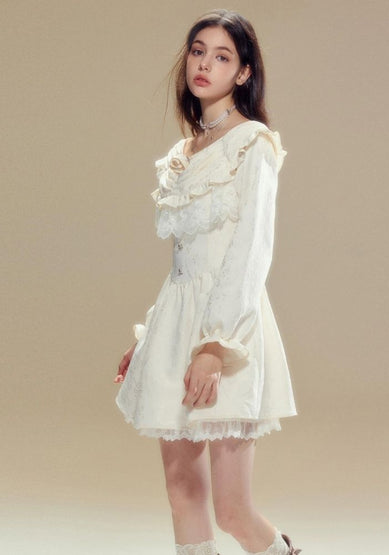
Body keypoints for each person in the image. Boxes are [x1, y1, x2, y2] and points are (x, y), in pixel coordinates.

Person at [114, 9, 301, 555]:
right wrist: (152, 336)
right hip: (177, 325)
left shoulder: (253, 144)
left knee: (233, 509)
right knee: (181, 493)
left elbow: (250, 253)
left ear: (243, 73)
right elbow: (184, 263)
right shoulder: (183, 154)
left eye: (222, 56)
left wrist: (215, 347)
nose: (205, 64)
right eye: (198, 51)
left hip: (229, 329)